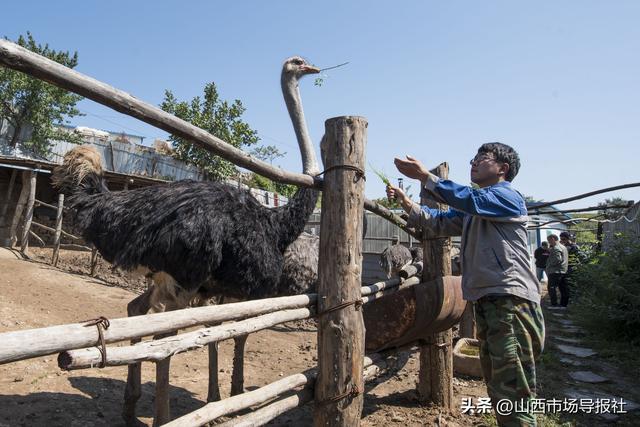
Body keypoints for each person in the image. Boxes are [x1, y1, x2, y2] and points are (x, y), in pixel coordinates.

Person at [386, 142, 544, 427]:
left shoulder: (506, 197)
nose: (473, 162)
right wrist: (406, 202)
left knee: (513, 385)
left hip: (510, 301)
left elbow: (467, 199)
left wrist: (425, 177)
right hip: (490, 301)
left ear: (502, 169)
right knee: (499, 384)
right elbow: (439, 222)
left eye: (483, 158)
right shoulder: (478, 206)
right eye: (474, 157)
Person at [545, 234, 569, 307]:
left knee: (551, 288)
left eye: (549, 241)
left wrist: (549, 265)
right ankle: (563, 304)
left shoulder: (556, 247)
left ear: (553, 239)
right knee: (563, 288)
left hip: (555, 271)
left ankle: (554, 304)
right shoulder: (563, 247)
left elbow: (557, 259)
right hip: (563, 270)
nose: (549, 243)